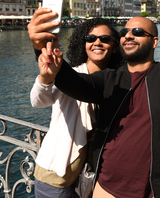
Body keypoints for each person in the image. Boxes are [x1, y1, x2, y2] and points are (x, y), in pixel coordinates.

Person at [34, 14, 160, 198]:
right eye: (124, 32)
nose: (128, 36)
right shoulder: (109, 79)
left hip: (158, 189)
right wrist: (41, 49)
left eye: (138, 32)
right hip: (106, 188)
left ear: (154, 42)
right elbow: (75, 84)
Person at [28, 11, 124, 198]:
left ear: (114, 47)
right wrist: (45, 79)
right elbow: (38, 101)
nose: (97, 42)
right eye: (91, 38)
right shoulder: (69, 75)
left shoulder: (117, 82)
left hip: (90, 178)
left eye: (105, 38)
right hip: (56, 176)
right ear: (84, 44)